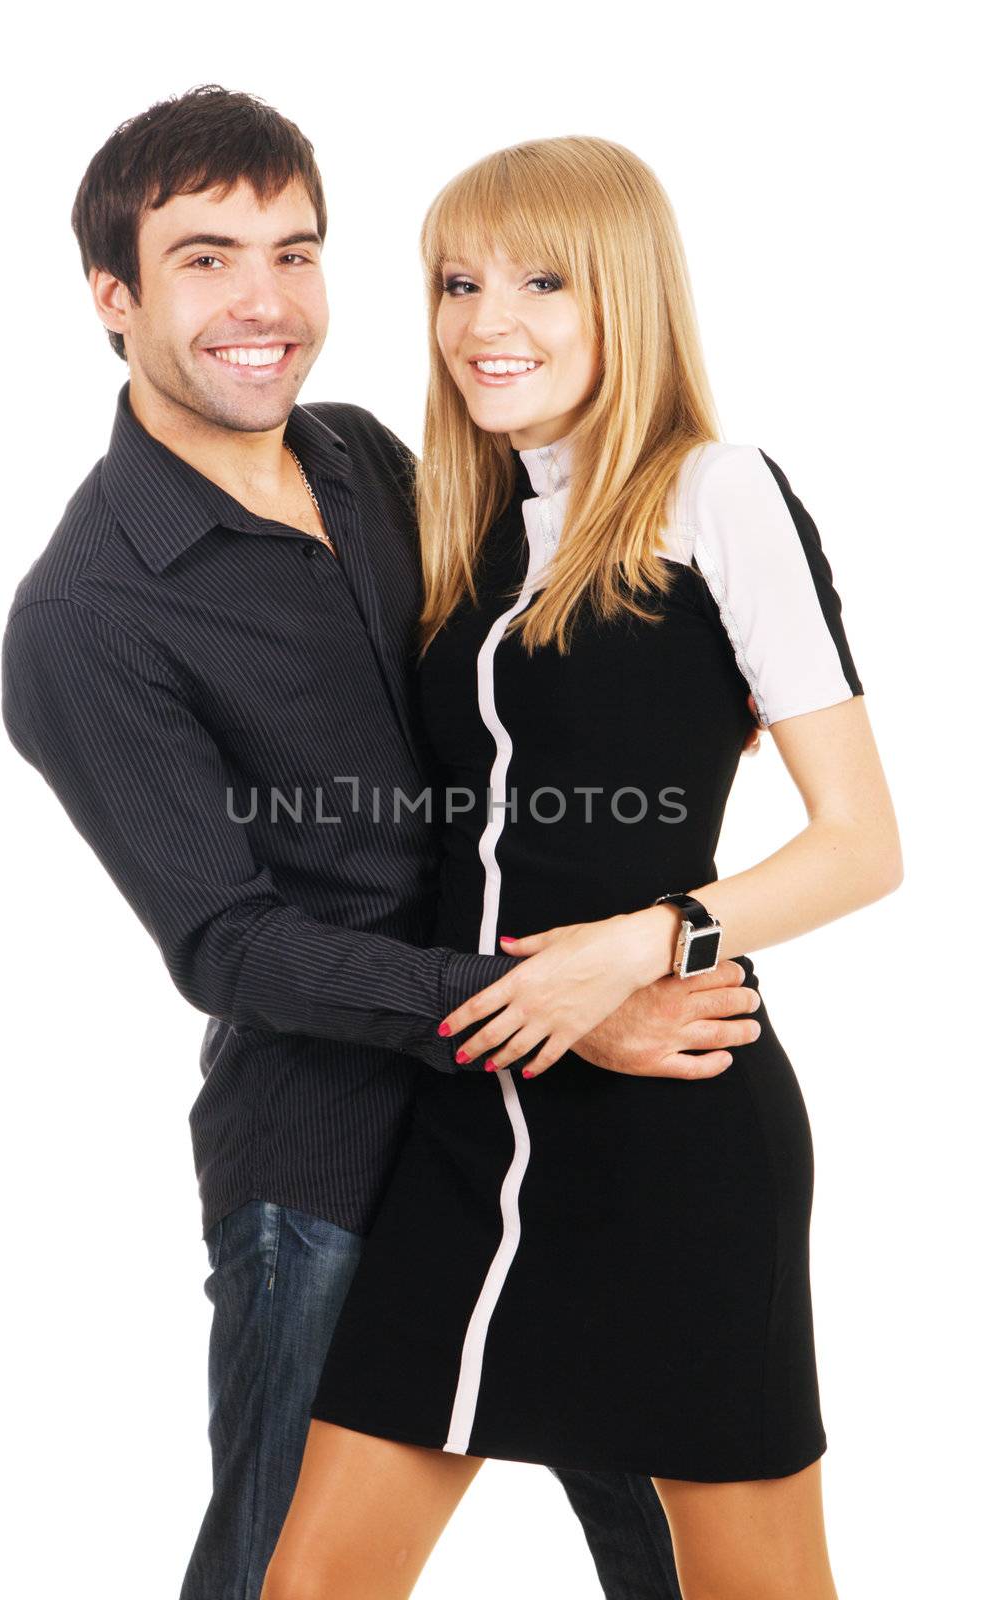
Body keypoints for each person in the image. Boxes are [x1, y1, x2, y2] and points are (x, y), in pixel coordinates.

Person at [0, 88, 764, 1600]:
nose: (267, 304)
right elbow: (232, 945)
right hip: (333, 1156)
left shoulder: (359, 456)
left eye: (298, 251)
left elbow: (514, 679)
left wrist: (688, 686)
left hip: (547, 1110)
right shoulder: (85, 616)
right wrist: (546, 1003)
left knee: (659, 1524)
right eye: (208, 259)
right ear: (113, 295)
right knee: (291, 1567)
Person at [261, 137, 903, 1600]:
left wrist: (635, 945)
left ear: (628, 294)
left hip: (673, 1132)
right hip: (464, 1124)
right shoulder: (458, 521)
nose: (491, 321)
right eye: (457, 282)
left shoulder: (718, 492)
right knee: (312, 1585)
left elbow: (864, 846)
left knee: (756, 1588)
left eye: (544, 280)